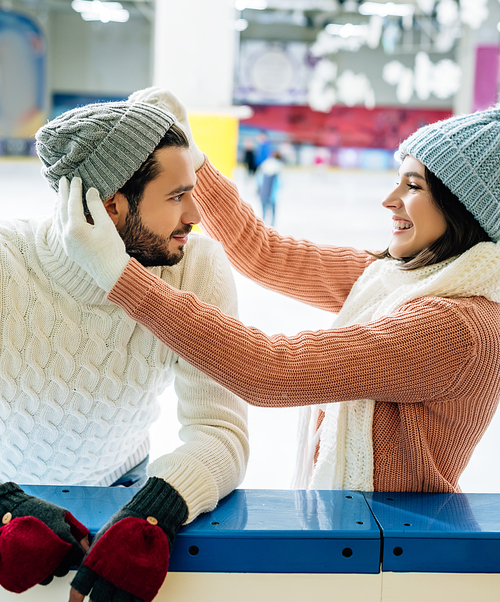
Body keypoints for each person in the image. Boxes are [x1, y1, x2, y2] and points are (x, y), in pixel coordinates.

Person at [57, 88, 500, 500]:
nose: (389, 199)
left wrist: (121, 277)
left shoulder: (455, 329)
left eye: (413, 185)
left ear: (464, 206)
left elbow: (271, 370)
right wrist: (196, 162)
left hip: (387, 556)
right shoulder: (393, 277)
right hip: (349, 529)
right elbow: (265, 254)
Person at [0, 92, 248, 602]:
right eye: (177, 196)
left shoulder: (196, 266)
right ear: (109, 205)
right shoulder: (7, 263)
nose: (196, 215)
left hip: (124, 488)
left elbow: (221, 429)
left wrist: (156, 505)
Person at [256, 152, 283, 226]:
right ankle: (272, 225)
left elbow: (258, 178)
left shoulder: (265, 163)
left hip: (263, 193)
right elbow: (279, 183)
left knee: (264, 212)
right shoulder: (278, 166)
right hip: (272, 194)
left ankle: (263, 225)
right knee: (273, 211)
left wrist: (258, 189)